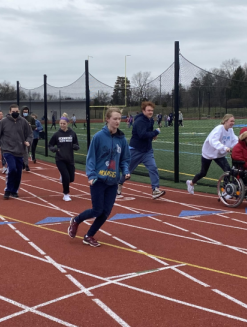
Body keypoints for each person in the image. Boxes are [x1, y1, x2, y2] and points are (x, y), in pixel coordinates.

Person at [68, 108, 129, 247]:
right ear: (107, 119)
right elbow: (91, 158)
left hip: (113, 181)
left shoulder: (122, 139)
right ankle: (76, 220)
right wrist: (91, 175)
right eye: (115, 118)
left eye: (119, 119)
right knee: (97, 210)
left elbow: (125, 158)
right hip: (98, 180)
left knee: (106, 212)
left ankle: (89, 235)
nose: (118, 121)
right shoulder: (98, 137)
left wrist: (125, 171)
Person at [122, 101, 165, 200]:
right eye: (148, 110)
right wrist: (156, 132)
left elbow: (147, 133)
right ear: (143, 111)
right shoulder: (140, 121)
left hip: (147, 150)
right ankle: (117, 185)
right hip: (136, 150)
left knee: (153, 168)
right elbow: (142, 135)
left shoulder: (150, 120)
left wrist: (153, 136)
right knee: (127, 171)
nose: (150, 112)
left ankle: (155, 189)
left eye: (152, 110)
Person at [186, 114, 238, 194]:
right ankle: (191, 183)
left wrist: (240, 145)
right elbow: (213, 141)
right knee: (203, 173)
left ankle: (225, 190)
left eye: (233, 121)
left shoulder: (230, 130)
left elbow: (235, 139)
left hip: (219, 154)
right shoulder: (219, 129)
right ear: (225, 121)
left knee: (227, 170)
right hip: (208, 153)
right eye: (231, 121)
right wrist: (225, 148)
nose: (233, 123)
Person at [0, 104, 32, 200]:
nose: (15, 113)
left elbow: (30, 133)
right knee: (12, 169)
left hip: (20, 150)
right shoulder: (4, 122)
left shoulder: (23, 121)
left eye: (17, 111)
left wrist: (28, 141)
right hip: (7, 150)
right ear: (10, 112)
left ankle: (14, 190)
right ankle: (8, 190)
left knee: (18, 172)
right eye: (13, 112)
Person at [49, 117, 80, 201]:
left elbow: (77, 145)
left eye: (64, 123)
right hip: (60, 159)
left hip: (70, 159)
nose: (62, 125)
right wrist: (53, 149)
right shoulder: (57, 134)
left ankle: (63, 177)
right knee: (66, 177)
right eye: (61, 123)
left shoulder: (72, 133)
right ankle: (66, 194)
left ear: (67, 123)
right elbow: (50, 145)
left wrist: (75, 147)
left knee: (71, 178)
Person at [21, 107, 32, 171]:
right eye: (24, 112)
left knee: (26, 152)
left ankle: (26, 164)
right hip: (20, 138)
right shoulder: (20, 119)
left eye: (26, 112)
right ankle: (24, 163)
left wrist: (31, 125)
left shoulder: (30, 118)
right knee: (22, 152)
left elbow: (34, 125)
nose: (25, 113)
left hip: (27, 138)